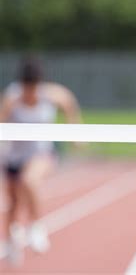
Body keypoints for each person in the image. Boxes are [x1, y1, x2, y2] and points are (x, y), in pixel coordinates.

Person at [0, 56, 83, 266]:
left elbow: (69, 103)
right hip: (14, 156)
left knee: (30, 180)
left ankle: (36, 225)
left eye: (33, 87)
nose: (30, 92)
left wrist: (75, 133)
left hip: (41, 154)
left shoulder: (52, 94)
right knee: (13, 204)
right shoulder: (12, 97)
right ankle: (11, 243)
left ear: (39, 84)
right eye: (26, 88)